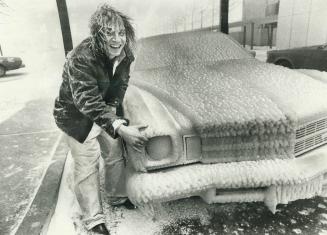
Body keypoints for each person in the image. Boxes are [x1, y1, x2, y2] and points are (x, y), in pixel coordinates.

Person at [53, 4, 147, 235]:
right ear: (97, 34)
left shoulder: (125, 54)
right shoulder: (81, 58)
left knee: (114, 155)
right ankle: (93, 219)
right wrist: (119, 127)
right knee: (87, 164)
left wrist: (113, 110)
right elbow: (86, 100)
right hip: (75, 117)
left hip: (104, 110)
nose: (117, 39)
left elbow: (120, 84)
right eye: (109, 33)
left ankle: (117, 197)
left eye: (121, 33)